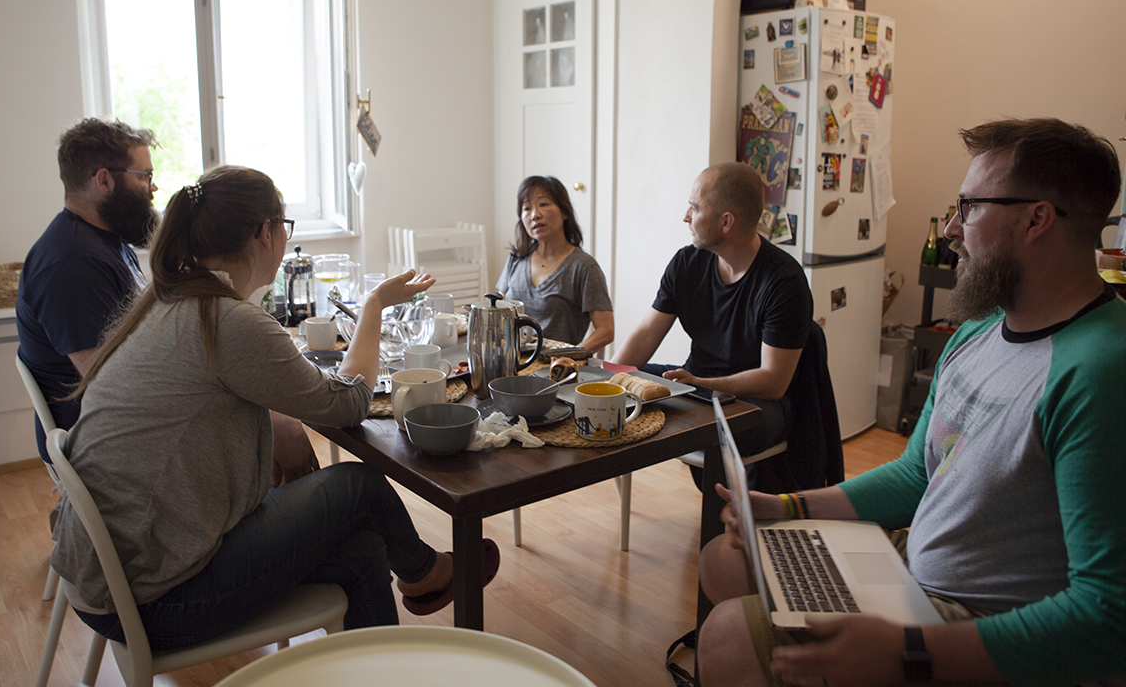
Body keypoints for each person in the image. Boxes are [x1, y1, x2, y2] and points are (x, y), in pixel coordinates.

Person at [697, 118, 1126, 687]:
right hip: (911, 564)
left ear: (1036, 219)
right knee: (723, 559)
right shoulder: (980, 332)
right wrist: (789, 507)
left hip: (979, 617)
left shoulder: (1099, 369)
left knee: (727, 636)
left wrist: (913, 652)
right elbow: (914, 474)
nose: (951, 227)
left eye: (969, 207)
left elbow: (1106, 618)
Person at [50, 165, 499, 645]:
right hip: (153, 597)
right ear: (266, 232)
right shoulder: (225, 318)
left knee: (364, 548)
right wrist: (372, 308)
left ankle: (384, 649)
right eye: (284, 228)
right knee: (361, 485)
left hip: (110, 575)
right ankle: (425, 573)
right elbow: (348, 403)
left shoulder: (168, 301)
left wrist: (277, 418)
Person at [614, 163, 812, 461]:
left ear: (726, 222)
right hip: (696, 385)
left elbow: (773, 381)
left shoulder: (784, 282)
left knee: (717, 428)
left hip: (757, 402)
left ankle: (725, 507)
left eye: (694, 207)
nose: (685, 216)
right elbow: (646, 335)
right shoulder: (686, 263)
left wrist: (699, 383)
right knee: (625, 388)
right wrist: (607, 382)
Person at [17, 118, 160, 460]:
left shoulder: (104, 240)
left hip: (117, 427)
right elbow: (112, 383)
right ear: (105, 180)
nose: (153, 189)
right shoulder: (73, 263)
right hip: (102, 445)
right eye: (145, 177)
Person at [496, 175, 613, 352]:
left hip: (553, 370)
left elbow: (606, 331)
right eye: (527, 208)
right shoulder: (516, 258)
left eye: (543, 204)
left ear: (564, 212)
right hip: (511, 360)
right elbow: (498, 309)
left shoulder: (583, 267)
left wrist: (567, 358)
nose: (535, 215)